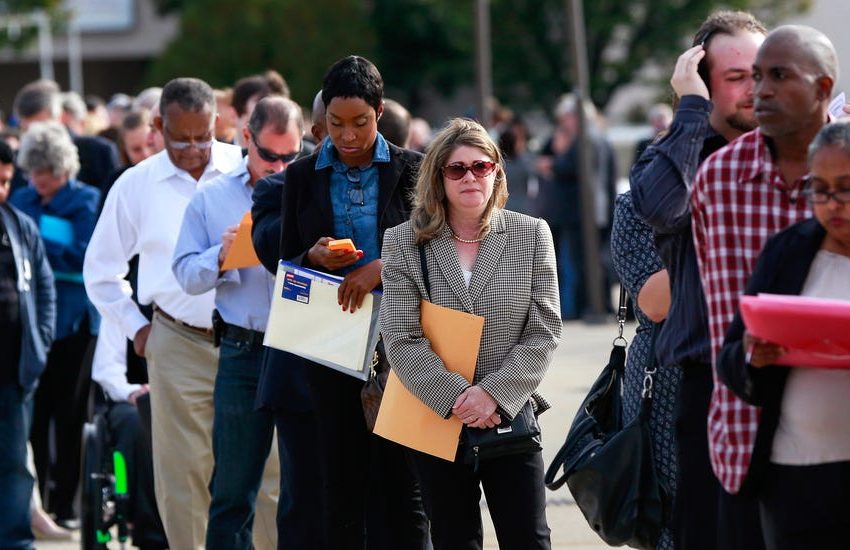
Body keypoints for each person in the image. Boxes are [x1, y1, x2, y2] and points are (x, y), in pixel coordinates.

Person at [380, 117, 561, 549]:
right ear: (438, 176)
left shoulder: (531, 234)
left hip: (509, 417)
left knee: (529, 539)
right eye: (456, 169)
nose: (470, 177)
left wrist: (492, 395)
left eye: (481, 166)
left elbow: (545, 329)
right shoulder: (404, 242)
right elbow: (401, 337)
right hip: (436, 419)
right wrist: (459, 398)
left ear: (496, 171)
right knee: (454, 539)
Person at [691, 23, 838, 544]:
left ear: (823, 89)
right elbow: (719, 320)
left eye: (779, 75)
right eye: (755, 76)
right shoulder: (719, 179)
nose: (761, 91)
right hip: (747, 435)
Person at [83, 77, 243, 550]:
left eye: (202, 135)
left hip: (246, 339)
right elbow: (101, 271)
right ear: (157, 127)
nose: (194, 148)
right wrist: (137, 330)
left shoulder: (242, 171)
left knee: (261, 467)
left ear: (218, 123)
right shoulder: (135, 185)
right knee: (183, 476)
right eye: (181, 138)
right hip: (176, 340)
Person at [629, 10, 768, 548]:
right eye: (736, 77)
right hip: (708, 385)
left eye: (764, 73)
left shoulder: (799, 156)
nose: (756, 88)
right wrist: (691, 110)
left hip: (798, 381)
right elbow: (664, 207)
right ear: (703, 81)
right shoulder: (672, 158)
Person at [279, 55, 429, 549]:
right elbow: (286, 261)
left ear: (380, 112)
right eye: (336, 125)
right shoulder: (301, 176)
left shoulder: (413, 169)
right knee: (339, 481)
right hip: (329, 336)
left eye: (360, 123)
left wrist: (382, 266)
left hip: (403, 339)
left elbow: (437, 248)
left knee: (404, 483)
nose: (347, 136)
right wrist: (312, 255)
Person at [172, 96, 305, 550]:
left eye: (292, 156)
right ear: (246, 137)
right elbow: (185, 274)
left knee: (302, 488)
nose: (281, 167)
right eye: (270, 155)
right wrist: (222, 257)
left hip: (302, 349)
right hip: (243, 351)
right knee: (232, 491)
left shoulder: (309, 189)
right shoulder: (212, 198)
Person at [717, 120, 850, 549]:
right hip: (794, 474)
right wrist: (753, 357)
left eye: (845, 188)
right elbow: (731, 356)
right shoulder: (787, 251)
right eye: (821, 189)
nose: (833, 204)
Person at [10, 121, 100, 527]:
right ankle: (35, 504)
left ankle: (66, 505)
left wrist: (37, 246)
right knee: (35, 415)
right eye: (31, 172)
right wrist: (50, 246)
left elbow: (84, 255)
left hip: (76, 325)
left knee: (69, 415)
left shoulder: (86, 200)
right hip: (33, 325)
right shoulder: (21, 197)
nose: (36, 180)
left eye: (43, 172)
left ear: (62, 169)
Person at [609, 191, 678, 549]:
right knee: (670, 511)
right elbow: (653, 303)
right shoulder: (639, 203)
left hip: (751, 365)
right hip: (664, 375)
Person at [0, 139, 56, 549]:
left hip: (14, 371)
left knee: (16, 465)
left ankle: (16, 540)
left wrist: (41, 342)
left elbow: (45, 288)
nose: (0, 191)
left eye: (4, 182)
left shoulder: (19, 226)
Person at [537, 93, 616, 319]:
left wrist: (552, 162)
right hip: (595, 209)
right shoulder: (600, 137)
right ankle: (597, 305)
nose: (563, 123)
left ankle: (589, 307)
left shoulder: (583, 139)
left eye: (566, 118)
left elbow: (570, 168)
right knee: (594, 262)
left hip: (580, 211)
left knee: (582, 264)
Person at [91, 319, 168, 549]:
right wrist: (133, 391)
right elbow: (107, 369)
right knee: (138, 422)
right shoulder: (121, 301)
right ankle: (151, 533)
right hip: (131, 397)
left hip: (186, 396)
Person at [12, 80, 119, 195]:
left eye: (42, 127)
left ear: (60, 117)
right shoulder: (17, 161)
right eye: (28, 130)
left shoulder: (98, 152)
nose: (36, 136)